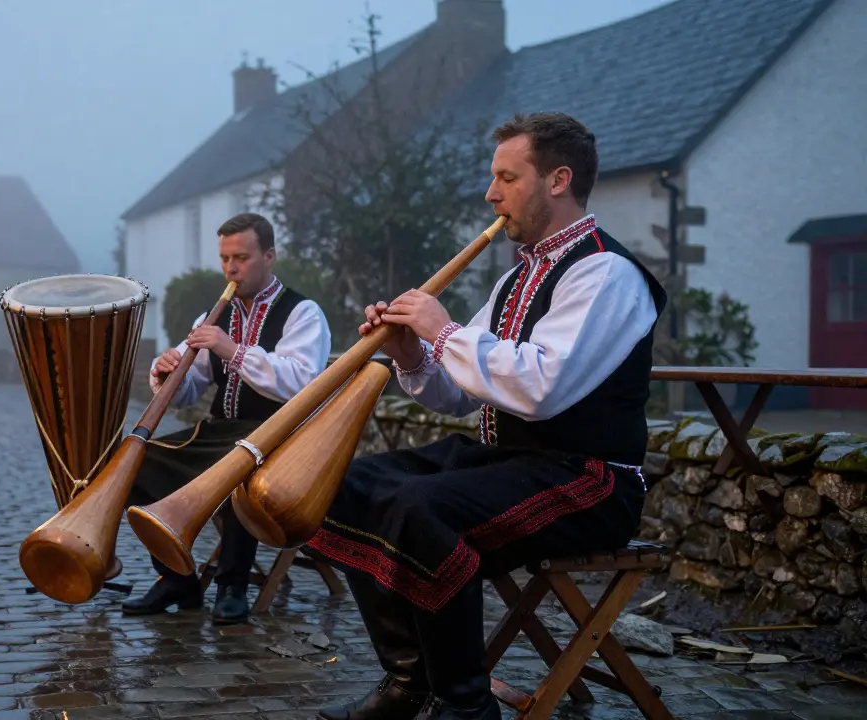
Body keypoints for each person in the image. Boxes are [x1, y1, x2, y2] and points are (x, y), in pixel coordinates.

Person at [307, 112, 667, 720]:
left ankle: (466, 703)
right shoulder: (514, 281)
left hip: (587, 480)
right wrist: (411, 351)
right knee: (345, 486)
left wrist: (442, 329)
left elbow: (539, 389)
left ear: (557, 180)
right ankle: (407, 681)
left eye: (506, 177)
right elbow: (461, 391)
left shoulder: (607, 274)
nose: (490, 193)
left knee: (422, 509)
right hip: (510, 463)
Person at [121, 211, 332, 624]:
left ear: (269, 256)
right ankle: (177, 578)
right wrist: (167, 375)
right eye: (225, 258)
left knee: (236, 465)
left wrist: (231, 350)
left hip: (279, 439)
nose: (231, 269)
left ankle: (232, 584)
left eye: (242, 257)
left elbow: (302, 384)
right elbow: (187, 393)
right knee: (135, 464)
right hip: (219, 431)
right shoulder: (212, 317)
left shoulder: (302, 313)